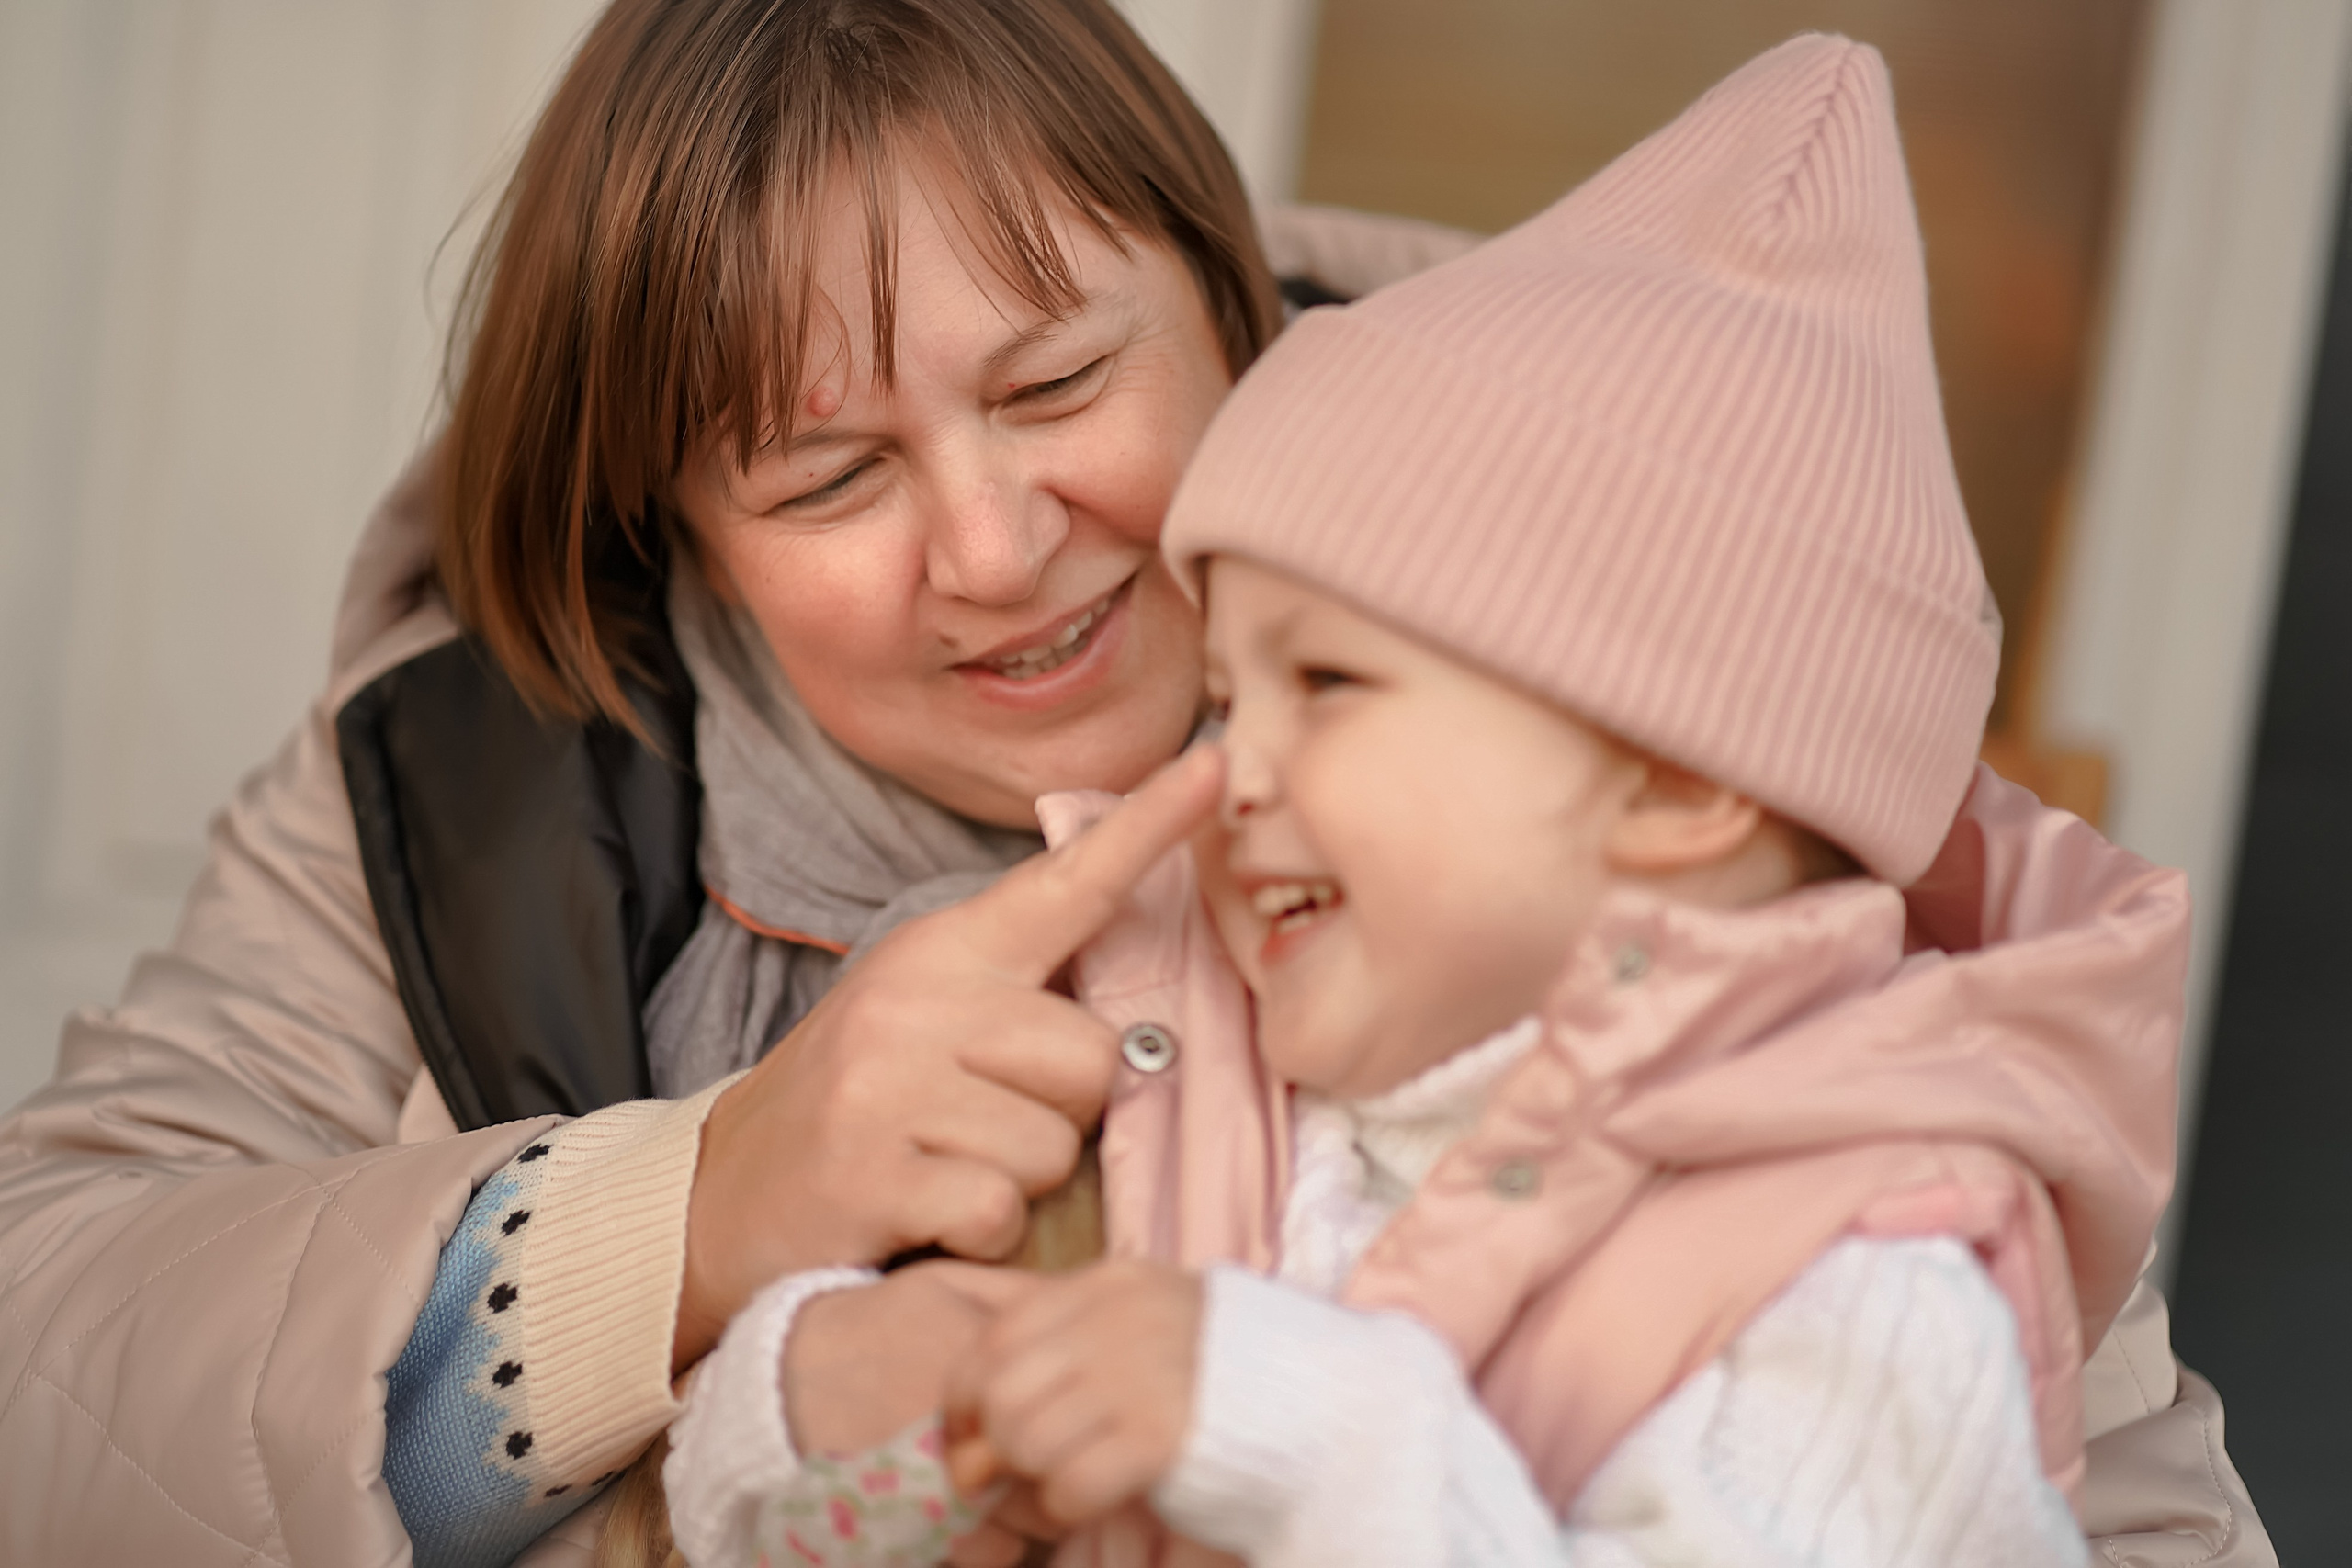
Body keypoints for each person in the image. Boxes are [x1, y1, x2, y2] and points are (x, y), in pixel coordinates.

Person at [0, 4, 2270, 1565]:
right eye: (823, 474)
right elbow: (50, 1367)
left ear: (1231, 296)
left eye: (1064, 375)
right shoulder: (462, 781)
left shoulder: (1655, 685)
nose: (995, 549)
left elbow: (2112, 1488)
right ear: (669, 521)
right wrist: (693, 1212)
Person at [656, 35, 2251, 1568]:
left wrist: (1295, 1422)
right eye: (1235, 693)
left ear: (1682, 774)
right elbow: (761, 1511)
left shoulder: (1873, 1272)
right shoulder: (1230, 1070)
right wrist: (812, 1386)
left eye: (1324, 690)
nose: (1225, 769)